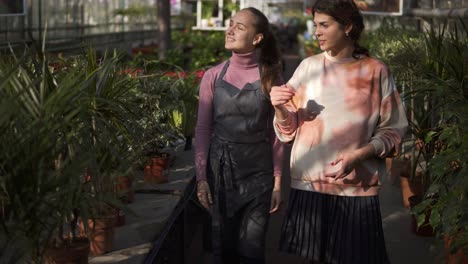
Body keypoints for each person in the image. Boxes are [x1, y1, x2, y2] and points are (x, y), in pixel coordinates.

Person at [269, 1, 408, 264]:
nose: (317, 32)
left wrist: (360, 154)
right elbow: (286, 133)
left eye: (324, 25)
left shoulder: (375, 70)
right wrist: (278, 109)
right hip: (309, 186)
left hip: (356, 189)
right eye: (315, 25)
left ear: (347, 26)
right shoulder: (307, 67)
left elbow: (394, 130)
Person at [194, 7, 285, 264]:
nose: (230, 29)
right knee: (223, 247)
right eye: (231, 24)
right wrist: (202, 179)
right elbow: (202, 129)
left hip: (259, 176)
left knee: (252, 249)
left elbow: (275, 132)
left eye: (240, 27)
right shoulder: (212, 76)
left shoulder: (270, 77)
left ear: (257, 38)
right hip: (220, 174)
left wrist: (278, 180)